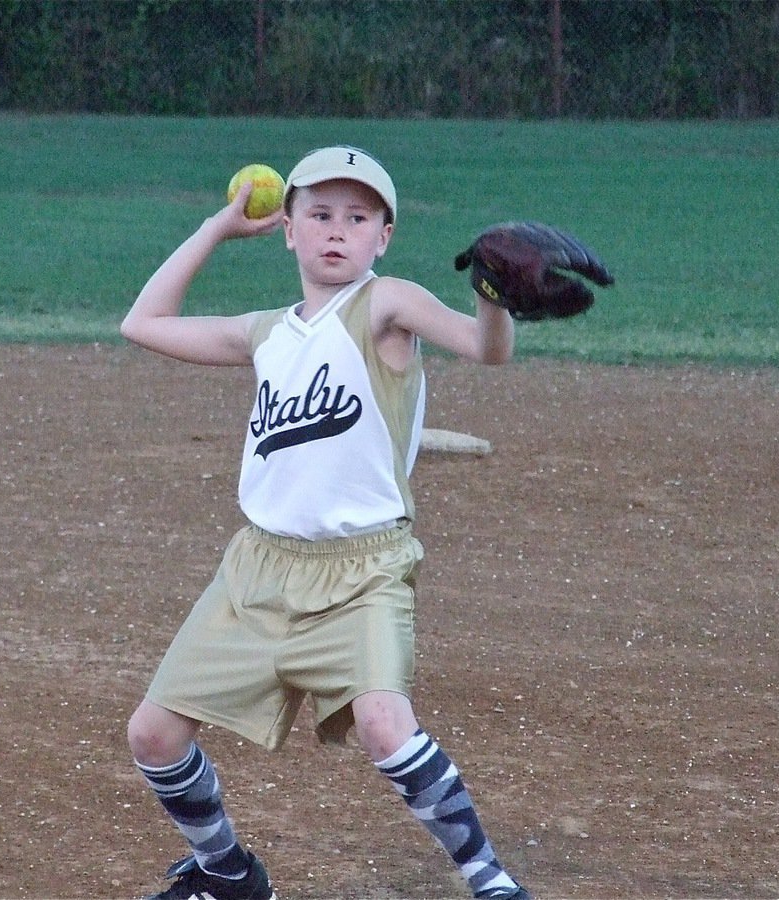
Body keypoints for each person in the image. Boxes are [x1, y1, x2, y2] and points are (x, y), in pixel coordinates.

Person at [121, 146, 533, 900]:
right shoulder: (266, 331)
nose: (336, 230)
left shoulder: (385, 305)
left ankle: (491, 883)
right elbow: (142, 322)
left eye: (358, 216)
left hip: (362, 571)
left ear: (383, 236)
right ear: (288, 229)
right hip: (257, 571)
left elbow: (487, 350)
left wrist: (492, 296)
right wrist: (218, 227)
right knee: (152, 735)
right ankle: (227, 873)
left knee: (386, 725)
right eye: (318, 214)